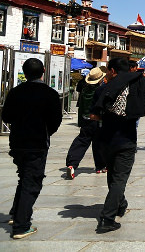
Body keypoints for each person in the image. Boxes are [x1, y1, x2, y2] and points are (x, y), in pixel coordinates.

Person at [90, 57, 145, 234]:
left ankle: (120, 204)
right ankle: (107, 218)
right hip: (126, 139)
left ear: (112, 71)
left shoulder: (103, 89)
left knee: (113, 175)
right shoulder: (137, 86)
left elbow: (94, 116)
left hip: (105, 139)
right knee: (119, 178)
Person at [2, 58, 62, 239]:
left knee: (24, 177)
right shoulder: (49, 93)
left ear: (24, 72)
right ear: (43, 71)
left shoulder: (15, 92)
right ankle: (21, 226)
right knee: (32, 181)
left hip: (18, 142)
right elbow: (55, 120)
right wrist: (46, 132)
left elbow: (6, 116)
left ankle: (16, 213)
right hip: (37, 143)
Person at [66, 66, 107, 179]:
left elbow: (82, 106)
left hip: (85, 119)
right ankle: (101, 166)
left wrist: (81, 122)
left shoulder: (85, 89)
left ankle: (72, 164)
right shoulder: (101, 90)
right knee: (99, 143)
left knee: (82, 141)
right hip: (97, 119)